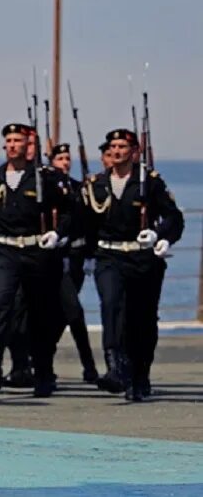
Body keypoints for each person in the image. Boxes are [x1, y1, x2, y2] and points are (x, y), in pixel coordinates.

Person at [81, 129, 183, 401]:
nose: (116, 151)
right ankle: (115, 366)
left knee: (142, 319)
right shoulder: (96, 184)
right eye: (112, 146)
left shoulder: (149, 182)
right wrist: (84, 254)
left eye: (122, 146)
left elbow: (174, 218)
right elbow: (85, 222)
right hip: (109, 257)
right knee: (111, 304)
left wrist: (160, 237)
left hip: (142, 258)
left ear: (134, 151)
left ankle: (140, 375)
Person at [0, 123, 73, 397]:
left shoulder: (44, 177)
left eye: (17, 140)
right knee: (0, 303)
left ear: (27, 144)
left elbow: (71, 210)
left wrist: (58, 234)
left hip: (35, 250)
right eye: (8, 140)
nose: (12, 145)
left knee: (39, 313)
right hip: (5, 250)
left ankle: (43, 372)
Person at [49, 142, 99, 383]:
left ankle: (84, 365)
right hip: (55, 258)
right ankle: (88, 366)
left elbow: (89, 224)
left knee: (66, 314)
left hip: (77, 258)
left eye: (68, 159)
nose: (65, 163)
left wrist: (90, 255)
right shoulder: (47, 188)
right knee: (73, 312)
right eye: (60, 159)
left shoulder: (80, 189)